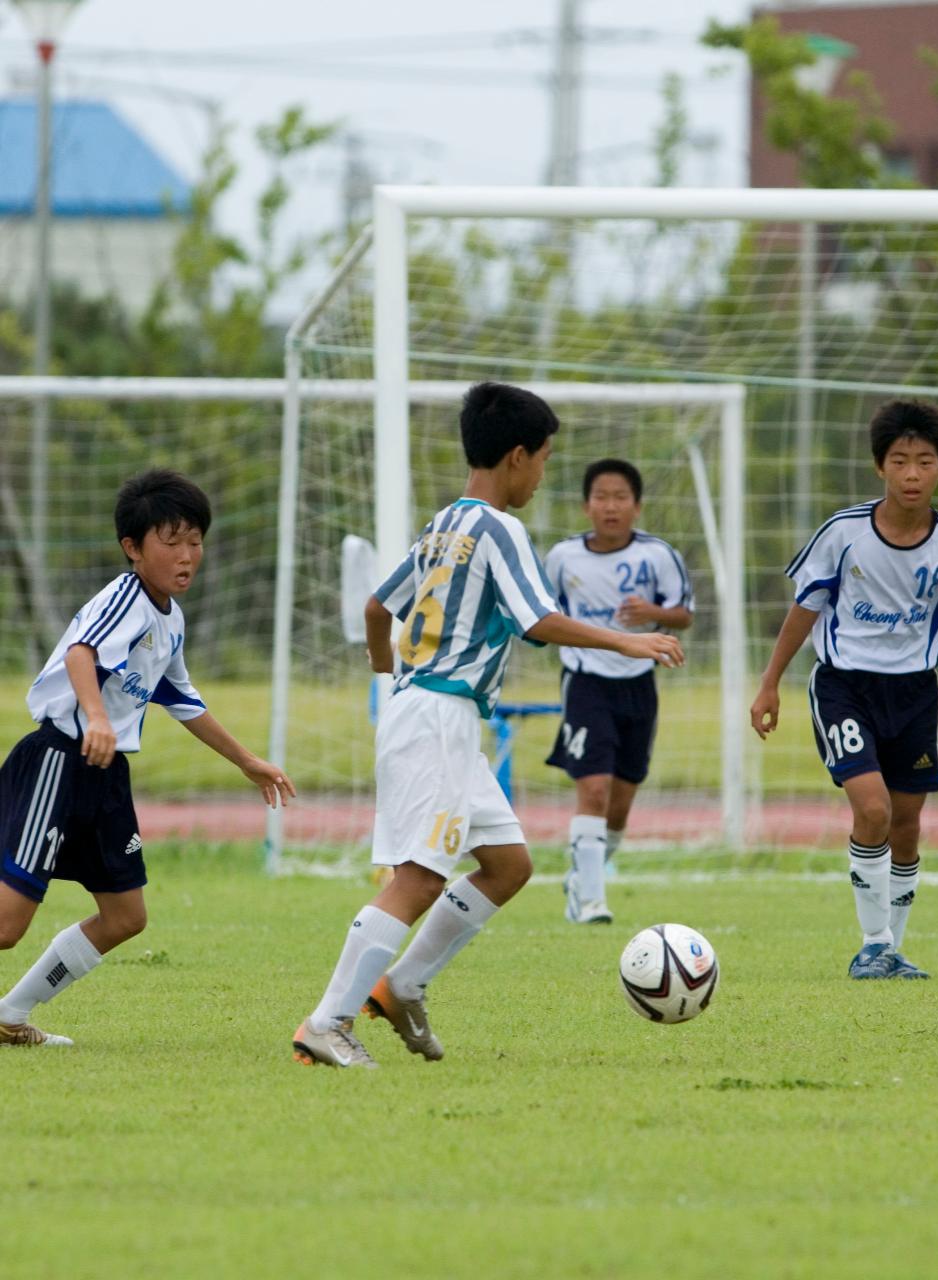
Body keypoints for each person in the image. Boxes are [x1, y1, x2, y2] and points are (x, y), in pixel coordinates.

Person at [291, 383, 684, 1069]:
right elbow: (537, 621)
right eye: (544, 460)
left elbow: (378, 612)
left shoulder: (444, 523)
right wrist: (630, 641)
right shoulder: (501, 528)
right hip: (439, 717)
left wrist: (390, 682)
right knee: (417, 878)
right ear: (516, 456)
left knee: (508, 866)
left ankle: (405, 984)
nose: (543, 474)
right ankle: (327, 1022)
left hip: (435, 712)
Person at [0, 469, 295, 1047]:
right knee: (7, 927)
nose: (188, 556)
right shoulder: (125, 600)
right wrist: (99, 717)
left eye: (196, 541)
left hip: (105, 776)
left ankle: (11, 1014)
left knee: (126, 918)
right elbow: (82, 654)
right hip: (59, 761)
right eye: (172, 542)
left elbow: (182, 700)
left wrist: (247, 761)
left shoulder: (170, 620)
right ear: (132, 548)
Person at [750, 399, 938, 979]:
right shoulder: (843, 532)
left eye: (925, 461)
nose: (912, 474)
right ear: (880, 467)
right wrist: (770, 683)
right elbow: (804, 610)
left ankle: (891, 950)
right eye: (900, 461)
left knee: (906, 822)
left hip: (916, 694)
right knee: (870, 808)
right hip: (844, 685)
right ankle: (873, 942)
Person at [544, 459, 693, 924]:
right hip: (585, 681)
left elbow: (683, 613)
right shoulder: (563, 557)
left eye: (620, 497)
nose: (610, 506)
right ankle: (591, 900)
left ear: (637, 506)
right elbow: (541, 616)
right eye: (601, 497)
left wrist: (652, 612)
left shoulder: (658, 555)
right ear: (587, 506)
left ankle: (580, 877)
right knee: (593, 786)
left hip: (638, 684)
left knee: (621, 802)